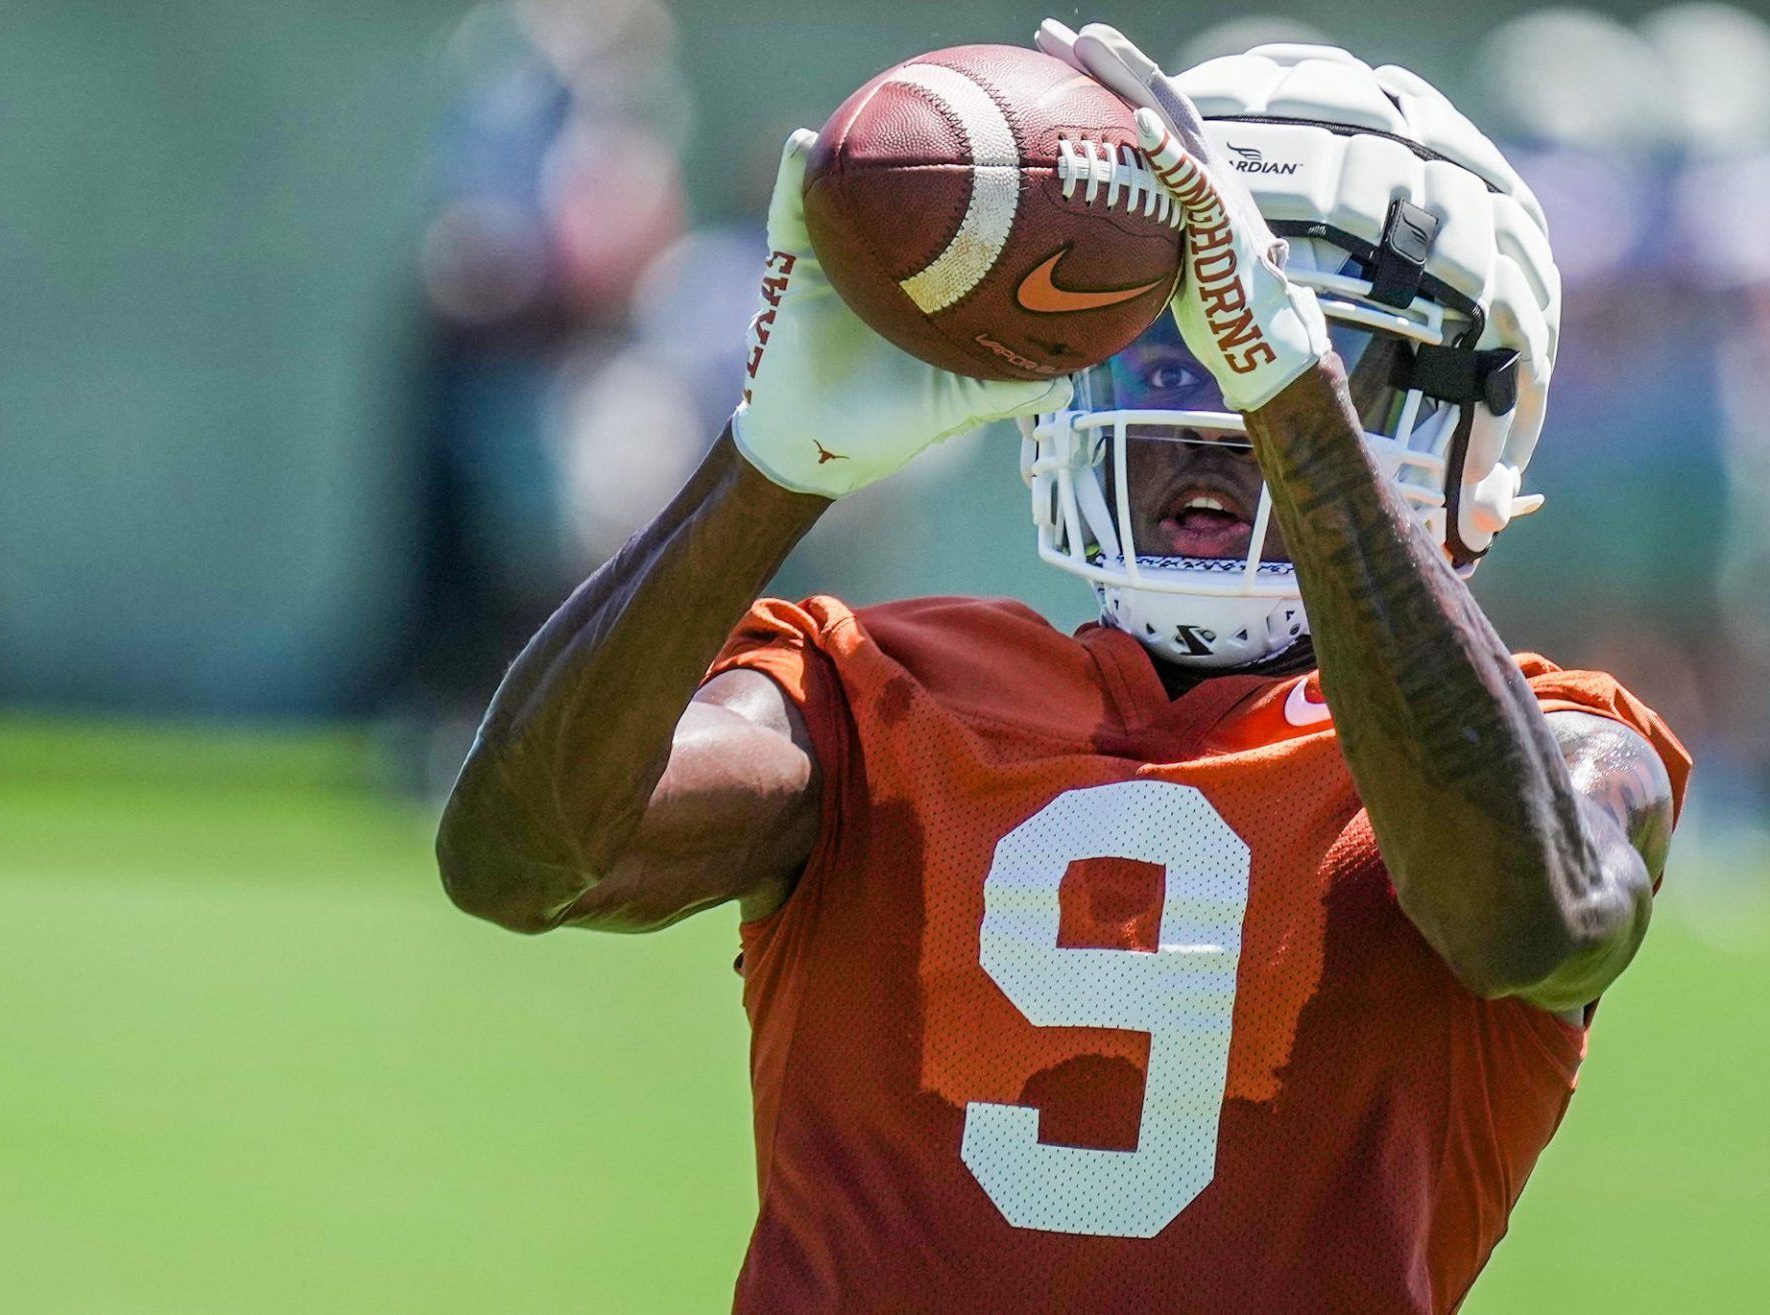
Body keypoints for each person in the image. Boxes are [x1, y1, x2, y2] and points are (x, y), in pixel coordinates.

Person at [437, 22, 1690, 1314]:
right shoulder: (876, 685)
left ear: (1472, 422)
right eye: (1171, 345)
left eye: (1268, 350)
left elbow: (1533, 922)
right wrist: (765, 469)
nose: (1214, 417)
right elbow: (523, 862)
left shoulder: (1558, 744)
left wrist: (1296, 408)